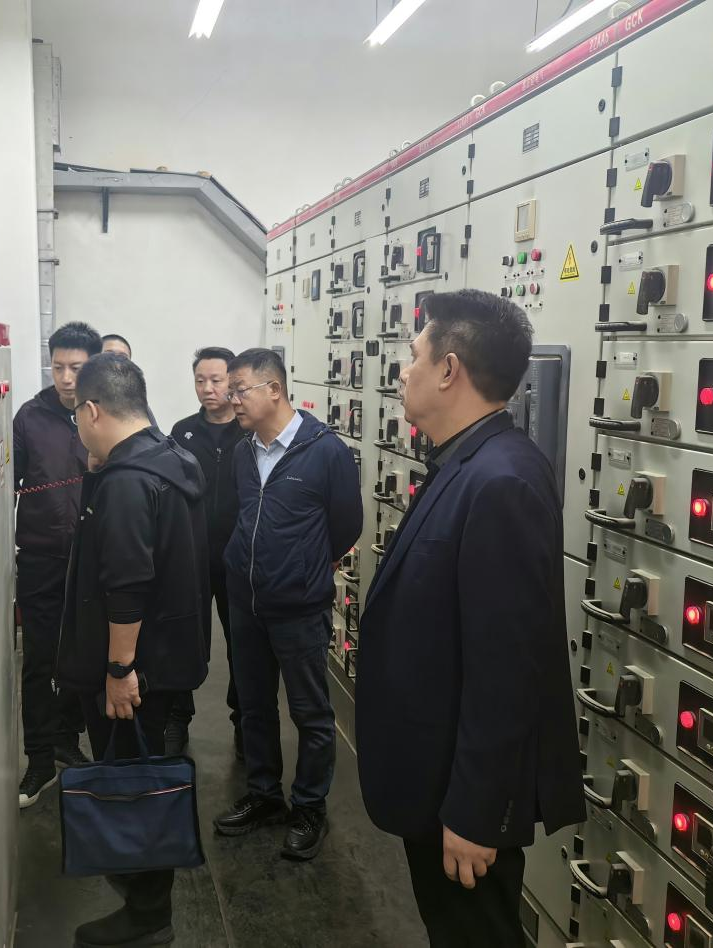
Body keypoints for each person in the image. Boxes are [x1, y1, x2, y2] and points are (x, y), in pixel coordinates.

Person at [355, 290, 584, 948]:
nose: (404, 371)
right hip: (434, 776)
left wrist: (477, 814)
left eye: (414, 356)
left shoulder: (501, 481)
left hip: (461, 798)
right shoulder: (465, 461)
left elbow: (506, 671)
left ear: (449, 369)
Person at [56, 352, 210, 947]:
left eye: (78, 414)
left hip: (133, 672)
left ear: (93, 410)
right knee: (140, 775)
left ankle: (147, 916)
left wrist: (119, 669)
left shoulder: (128, 482)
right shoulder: (171, 458)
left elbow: (127, 585)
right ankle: (143, 897)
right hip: (168, 659)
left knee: (133, 785)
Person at [213, 348, 363, 861]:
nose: (231, 399)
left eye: (239, 390)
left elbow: (347, 525)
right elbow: (241, 513)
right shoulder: (243, 451)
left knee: (310, 712)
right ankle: (264, 795)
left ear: (274, 389)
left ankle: (309, 806)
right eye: (230, 390)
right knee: (253, 706)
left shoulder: (327, 452)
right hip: (246, 600)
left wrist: (304, 565)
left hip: (298, 605)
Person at [12, 321, 101, 808]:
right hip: (42, 559)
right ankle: (40, 760)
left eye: (77, 368)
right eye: (58, 366)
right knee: (39, 661)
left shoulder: (106, 412)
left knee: (87, 655)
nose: (66, 378)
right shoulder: (29, 418)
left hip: (94, 559)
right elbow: (8, 482)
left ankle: (70, 739)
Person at [167, 347, 245, 758]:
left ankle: (244, 720)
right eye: (200, 380)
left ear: (233, 381)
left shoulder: (249, 430)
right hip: (191, 558)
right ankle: (178, 718)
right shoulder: (182, 432)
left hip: (238, 559)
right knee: (183, 640)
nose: (208, 388)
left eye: (216, 380)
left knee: (242, 643)